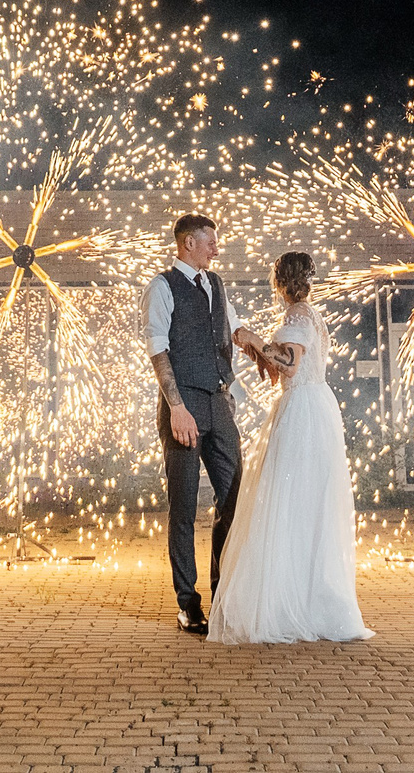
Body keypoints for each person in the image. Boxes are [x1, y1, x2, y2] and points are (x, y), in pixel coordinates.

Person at [206, 250, 373, 646]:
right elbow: (288, 360)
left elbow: (290, 361)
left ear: (279, 280)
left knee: (287, 501)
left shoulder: (298, 314)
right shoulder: (307, 314)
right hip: (314, 408)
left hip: (301, 413)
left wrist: (254, 340)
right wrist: (263, 354)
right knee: (305, 504)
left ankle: (289, 602)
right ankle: (308, 595)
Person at [148, 212, 271, 637]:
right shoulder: (162, 287)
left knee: (234, 499)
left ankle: (221, 594)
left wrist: (259, 346)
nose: (216, 249)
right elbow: (158, 351)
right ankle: (188, 605)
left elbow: (234, 329)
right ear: (188, 244)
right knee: (182, 509)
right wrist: (177, 407)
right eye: (210, 242)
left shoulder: (215, 284)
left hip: (219, 405)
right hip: (182, 406)